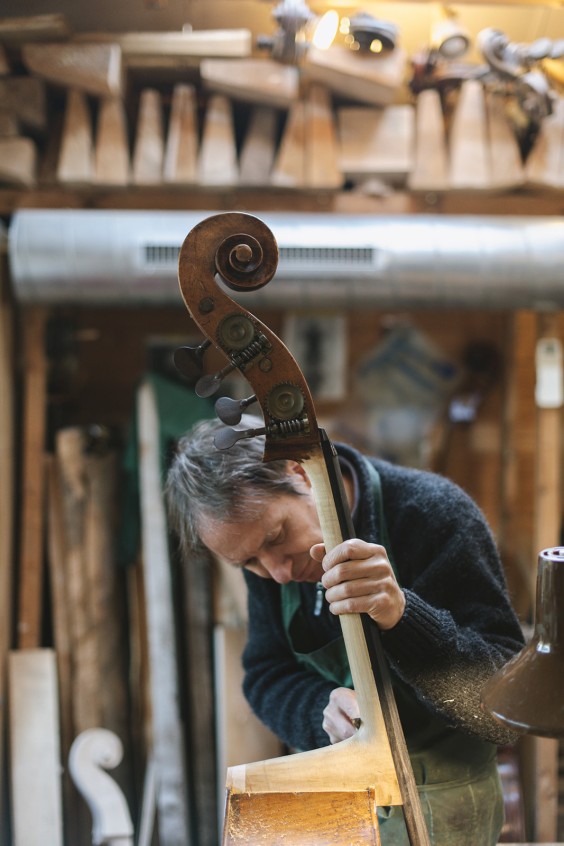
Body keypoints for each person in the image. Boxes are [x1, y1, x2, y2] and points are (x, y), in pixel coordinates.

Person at [165, 413, 525, 845]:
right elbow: (266, 673)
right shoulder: (268, 558)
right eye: (248, 563)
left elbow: (503, 714)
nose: (277, 574)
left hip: (445, 808)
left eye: (277, 537)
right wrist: (321, 707)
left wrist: (403, 617)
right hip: (335, 807)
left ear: (300, 472)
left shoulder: (432, 513)